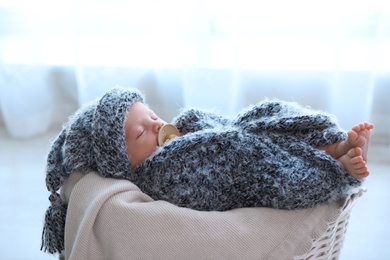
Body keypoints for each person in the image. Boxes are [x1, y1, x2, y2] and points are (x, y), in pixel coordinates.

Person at [41, 86, 373, 255]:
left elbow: (223, 126)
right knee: (260, 165)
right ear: (122, 165)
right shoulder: (155, 176)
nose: (157, 124)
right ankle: (333, 168)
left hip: (239, 137)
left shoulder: (176, 131)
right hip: (239, 168)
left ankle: (329, 145)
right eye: (141, 132)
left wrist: (202, 129)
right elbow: (217, 180)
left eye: (153, 115)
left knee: (266, 114)